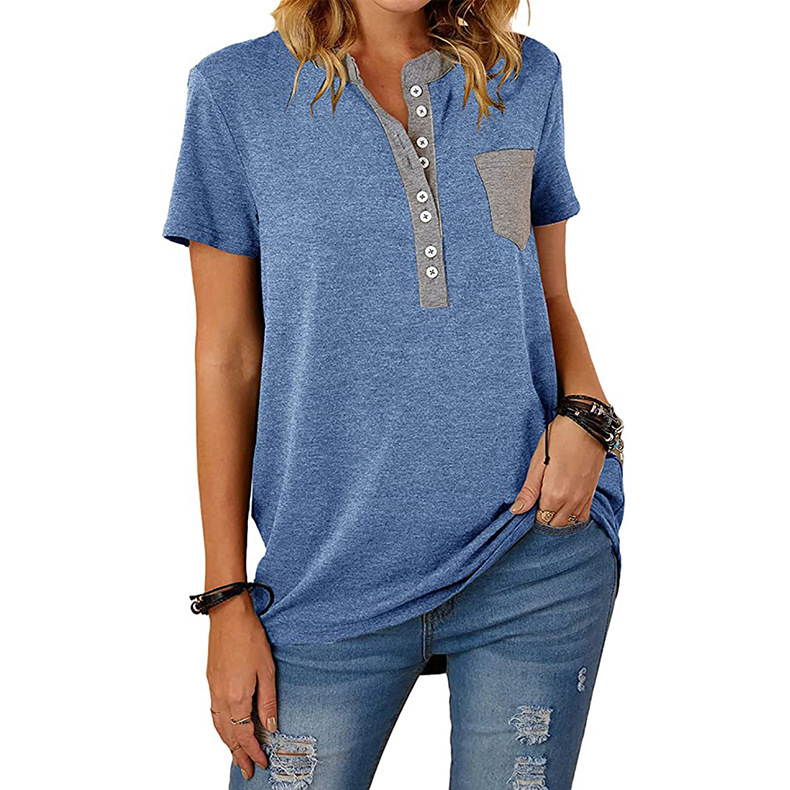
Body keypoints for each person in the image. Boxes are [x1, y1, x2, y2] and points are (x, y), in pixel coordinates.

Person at [162, 1, 625, 787]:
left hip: (534, 552)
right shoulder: (234, 93)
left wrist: (589, 417)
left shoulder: (525, 78)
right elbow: (228, 355)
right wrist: (226, 596)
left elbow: (549, 295)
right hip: (328, 576)